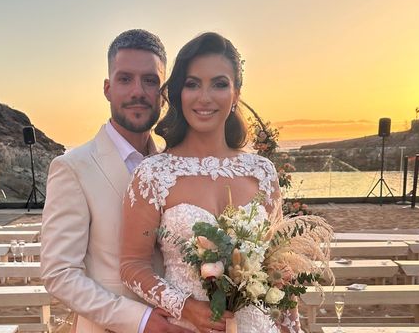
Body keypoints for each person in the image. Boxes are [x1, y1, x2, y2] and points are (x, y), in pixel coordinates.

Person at [120, 32, 302, 333]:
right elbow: (132, 265)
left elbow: (278, 266)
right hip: (188, 327)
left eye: (219, 84)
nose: (204, 97)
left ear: (236, 94)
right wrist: (184, 307)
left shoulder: (262, 172)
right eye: (192, 84)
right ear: (179, 93)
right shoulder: (153, 174)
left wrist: (291, 325)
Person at [41, 29, 190, 333]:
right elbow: (59, 273)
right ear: (108, 89)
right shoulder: (72, 168)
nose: (138, 91)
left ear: (163, 93)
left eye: (150, 80)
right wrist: (139, 320)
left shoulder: (176, 167)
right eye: (125, 79)